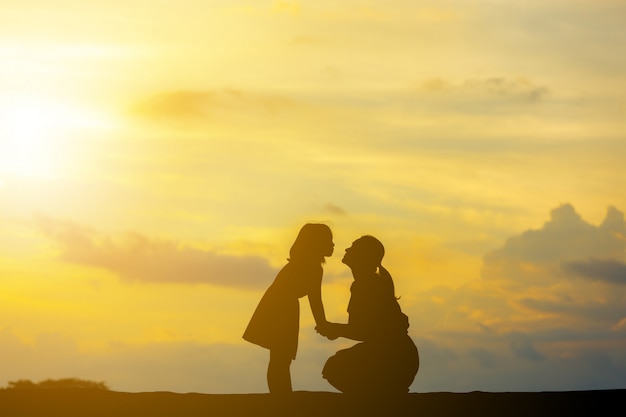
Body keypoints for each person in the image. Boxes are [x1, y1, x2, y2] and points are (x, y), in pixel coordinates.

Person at [316, 235, 419, 395]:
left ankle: (373, 400)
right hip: (401, 357)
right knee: (336, 364)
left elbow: (364, 331)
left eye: (353, 247)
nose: (347, 249)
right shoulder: (367, 283)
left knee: (335, 367)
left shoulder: (366, 285)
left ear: (363, 256)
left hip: (395, 358)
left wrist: (335, 330)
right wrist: (335, 329)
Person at [243, 223, 334, 394]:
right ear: (316, 244)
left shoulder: (304, 265)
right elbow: (315, 300)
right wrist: (323, 324)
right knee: (281, 358)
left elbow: (315, 299)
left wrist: (323, 323)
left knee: (279, 358)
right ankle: (282, 396)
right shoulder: (313, 268)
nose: (333, 245)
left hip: (280, 305)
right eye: (328, 241)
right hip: (282, 308)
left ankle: (281, 394)